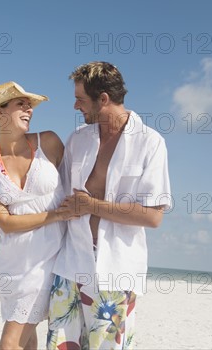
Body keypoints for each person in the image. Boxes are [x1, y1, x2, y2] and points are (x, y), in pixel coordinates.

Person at [47, 62, 172, 349]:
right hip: (69, 265)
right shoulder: (77, 140)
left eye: (80, 99)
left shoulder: (150, 143)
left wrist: (92, 205)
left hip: (116, 270)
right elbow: (58, 199)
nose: (76, 106)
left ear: (103, 99)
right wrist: (13, 226)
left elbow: (153, 216)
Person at [0, 81, 73, 350]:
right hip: (12, 261)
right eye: (21, 103)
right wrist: (55, 215)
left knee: (10, 343)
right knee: (27, 340)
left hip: (50, 257)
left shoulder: (48, 142)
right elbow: (4, 221)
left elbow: (77, 187)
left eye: (29, 104)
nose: (29, 108)